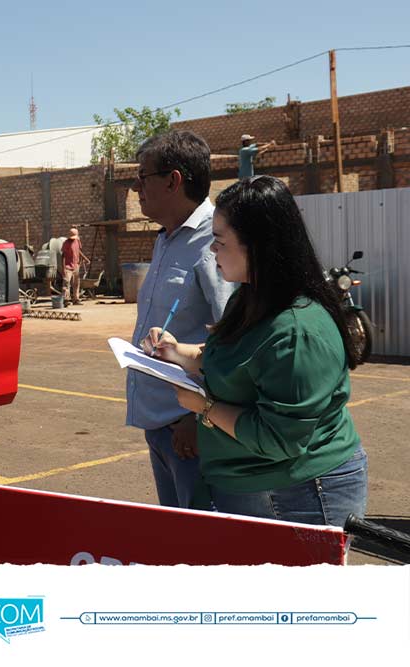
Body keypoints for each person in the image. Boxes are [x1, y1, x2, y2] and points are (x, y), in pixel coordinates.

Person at [143, 176, 368, 526]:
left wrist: (205, 407)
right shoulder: (248, 296)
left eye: (219, 242)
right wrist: (176, 352)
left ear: (258, 246)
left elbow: (278, 437)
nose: (212, 251)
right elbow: (233, 360)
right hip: (255, 484)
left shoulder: (296, 331)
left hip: (301, 492)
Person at [127, 130, 237, 508]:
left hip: (191, 431)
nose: (135, 187)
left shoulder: (216, 240)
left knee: (202, 547)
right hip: (162, 424)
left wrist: (201, 416)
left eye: (143, 177)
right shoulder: (167, 237)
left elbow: (234, 339)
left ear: (173, 180)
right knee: (176, 539)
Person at [61, 227, 89, 305]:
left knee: (76, 283)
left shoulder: (77, 241)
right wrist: (63, 268)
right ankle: (66, 300)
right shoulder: (66, 243)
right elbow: (63, 256)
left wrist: (85, 258)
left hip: (76, 265)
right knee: (66, 283)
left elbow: (78, 251)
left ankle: (76, 299)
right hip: (68, 267)